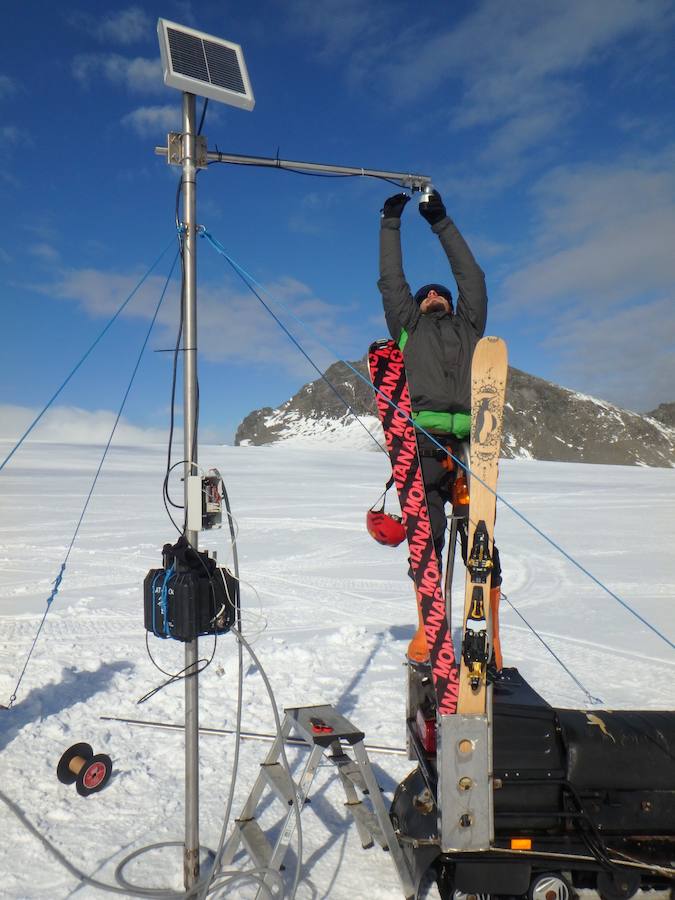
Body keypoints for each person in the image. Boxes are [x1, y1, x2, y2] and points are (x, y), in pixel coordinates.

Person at [377, 189, 502, 667]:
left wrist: (440, 221)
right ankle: (429, 632)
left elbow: (473, 278)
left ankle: (488, 633)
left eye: (440, 294)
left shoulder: (471, 325)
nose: (433, 295)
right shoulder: (408, 327)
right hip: (421, 448)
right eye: (426, 293)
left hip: (472, 446)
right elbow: (392, 282)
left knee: (483, 549)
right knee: (424, 545)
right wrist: (390, 223)